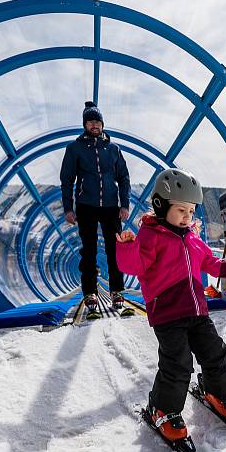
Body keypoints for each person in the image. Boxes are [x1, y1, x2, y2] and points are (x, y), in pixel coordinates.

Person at [115, 168, 226, 441]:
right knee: (178, 363)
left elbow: (207, 262)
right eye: (181, 210)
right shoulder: (151, 236)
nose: (188, 217)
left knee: (216, 353)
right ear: (161, 206)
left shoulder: (192, 237)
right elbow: (133, 265)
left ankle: (216, 392)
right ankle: (162, 410)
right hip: (167, 314)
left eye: (191, 211)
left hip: (197, 311)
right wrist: (127, 246)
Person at [61, 101, 130, 318]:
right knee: (89, 251)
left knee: (115, 249)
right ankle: (90, 293)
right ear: (85, 124)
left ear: (102, 123)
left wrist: (125, 204)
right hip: (86, 206)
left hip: (110, 206)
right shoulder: (75, 148)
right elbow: (67, 179)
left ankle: (117, 291)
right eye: (90, 121)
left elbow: (124, 177)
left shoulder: (113, 149)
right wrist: (68, 208)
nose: (94, 125)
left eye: (97, 121)